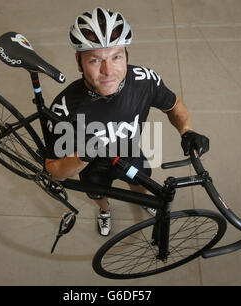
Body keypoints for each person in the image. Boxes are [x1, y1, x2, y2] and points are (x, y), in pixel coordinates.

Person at [45, 7, 209, 236]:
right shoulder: (64, 108)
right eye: (95, 60)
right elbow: (54, 171)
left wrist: (187, 130)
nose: (108, 71)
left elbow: (174, 105)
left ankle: (143, 200)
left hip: (129, 153)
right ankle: (104, 211)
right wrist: (83, 155)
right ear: (78, 62)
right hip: (92, 167)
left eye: (116, 57)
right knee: (99, 195)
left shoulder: (145, 81)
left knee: (141, 184)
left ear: (126, 55)